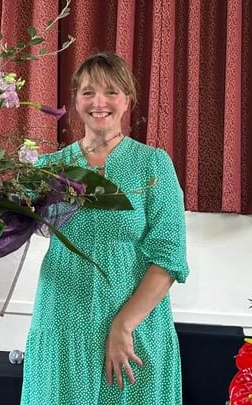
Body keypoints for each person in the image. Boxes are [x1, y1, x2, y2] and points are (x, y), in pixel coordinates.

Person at [20, 52, 189, 404]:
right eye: (88, 93)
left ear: (128, 100)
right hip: (63, 321)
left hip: (136, 325)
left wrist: (123, 325)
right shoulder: (49, 167)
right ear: (75, 102)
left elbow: (169, 258)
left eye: (111, 92)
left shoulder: (152, 163)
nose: (99, 102)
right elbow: (10, 229)